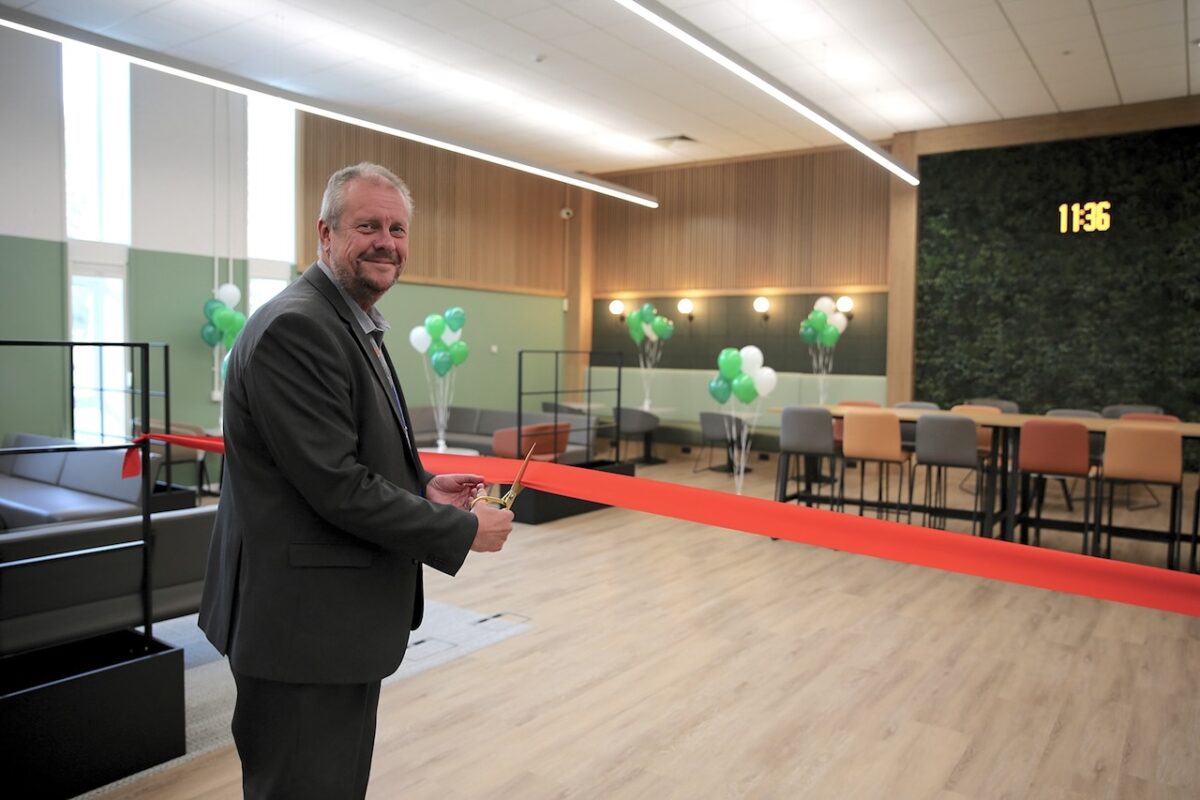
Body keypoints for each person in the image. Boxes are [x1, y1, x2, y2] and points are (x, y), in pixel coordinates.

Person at [198, 162, 514, 799]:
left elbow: (338, 458)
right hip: (301, 632)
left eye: (397, 228)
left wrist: (422, 486)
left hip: (324, 628)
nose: (386, 242)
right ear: (325, 233)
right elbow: (335, 485)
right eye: (367, 224)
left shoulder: (347, 321)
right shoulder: (300, 326)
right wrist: (459, 528)